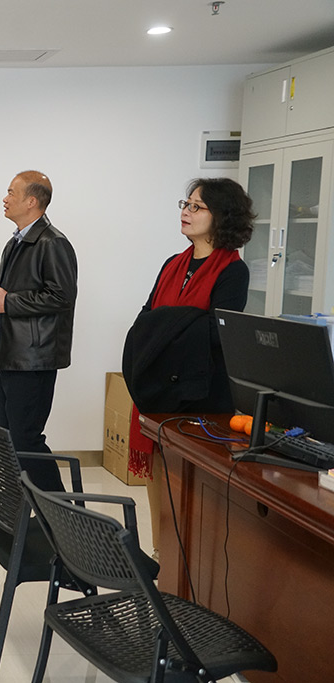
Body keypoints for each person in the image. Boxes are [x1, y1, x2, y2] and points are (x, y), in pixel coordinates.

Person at [122, 178, 253, 551]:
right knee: (158, 474)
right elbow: (145, 320)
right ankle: (160, 553)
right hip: (157, 387)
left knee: (189, 484)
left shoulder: (233, 271)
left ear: (221, 215)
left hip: (201, 393)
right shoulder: (172, 264)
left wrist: (164, 325)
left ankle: (184, 559)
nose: (186, 211)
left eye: (197, 206)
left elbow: (217, 331)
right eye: (186, 203)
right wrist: (175, 322)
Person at [0, 170, 78, 493]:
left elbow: (61, 297)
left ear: (32, 201)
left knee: (26, 440)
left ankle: (61, 514)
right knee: (9, 440)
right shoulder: (15, 242)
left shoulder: (52, 243)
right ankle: (11, 510)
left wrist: (9, 301)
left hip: (33, 359)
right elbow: (2, 299)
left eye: (11, 193)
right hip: (10, 355)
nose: (4, 199)